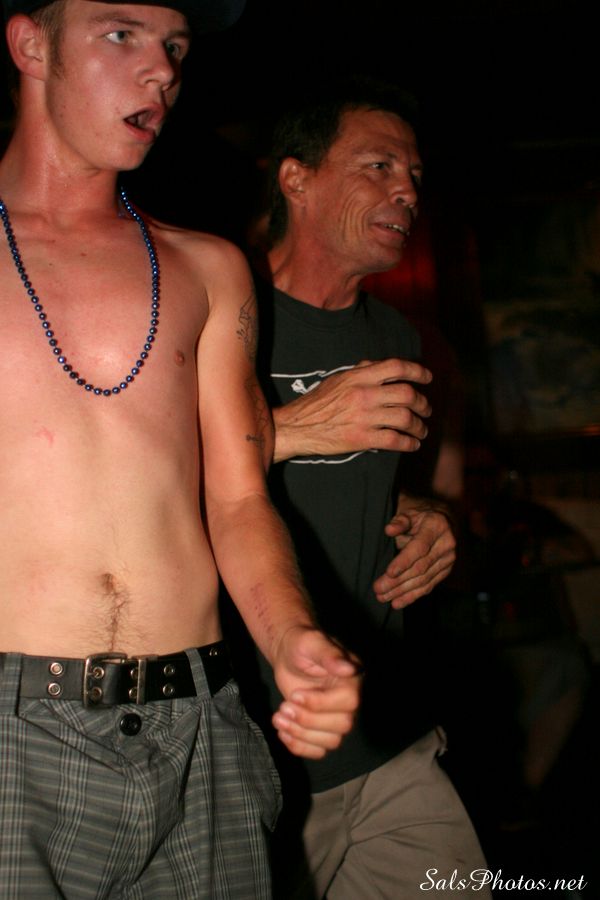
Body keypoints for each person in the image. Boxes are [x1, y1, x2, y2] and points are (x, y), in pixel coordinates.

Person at [0, 2, 361, 897]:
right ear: (32, 44)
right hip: (14, 738)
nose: (161, 69)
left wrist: (293, 637)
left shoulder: (208, 267)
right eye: (120, 34)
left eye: (174, 46)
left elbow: (239, 499)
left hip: (202, 726)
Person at [243, 78, 491, 898]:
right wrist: (290, 428)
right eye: (379, 166)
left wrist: (429, 517)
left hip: (387, 733)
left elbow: (386, 492)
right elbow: (140, 480)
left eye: (414, 174)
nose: (407, 191)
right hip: (262, 739)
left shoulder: (399, 337)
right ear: (296, 178)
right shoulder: (219, 311)